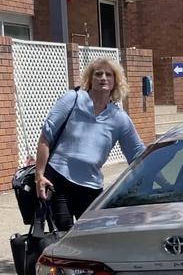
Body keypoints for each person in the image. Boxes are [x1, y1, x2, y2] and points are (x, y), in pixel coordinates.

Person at [35, 57, 145, 231]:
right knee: (64, 235)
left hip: (91, 186)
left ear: (115, 81)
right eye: (98, 74)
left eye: (108, 74)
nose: (103, 77)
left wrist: (162, 177)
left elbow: (138, 154)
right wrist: (39, 175)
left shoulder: (119, 118)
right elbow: (45, 138)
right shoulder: (72, 99)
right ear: (90, 79)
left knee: (93, 236)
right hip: (58, 180)